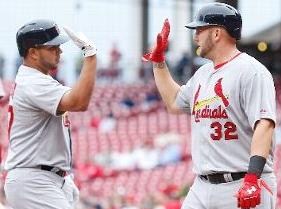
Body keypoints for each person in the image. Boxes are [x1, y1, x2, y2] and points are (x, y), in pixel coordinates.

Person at [143, 3, 276, 209]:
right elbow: (174, 102)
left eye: (200, 29)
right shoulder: (202, 75)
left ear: (216, 33)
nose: (195, 36)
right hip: (202, 185)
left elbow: (264, 124)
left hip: (242, 181)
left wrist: (252, 178)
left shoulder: (251, 71)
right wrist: (159, 62)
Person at [4, 19, 97, 209]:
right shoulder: (32, 82)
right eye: (52, 47)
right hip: (33, 180)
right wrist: (90, 56)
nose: (59, 51)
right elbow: (79, 102)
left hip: (44, 177)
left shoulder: (38, 78)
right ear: (33, 52)